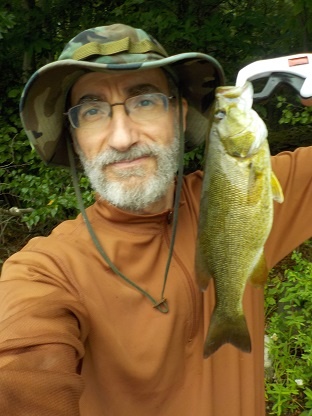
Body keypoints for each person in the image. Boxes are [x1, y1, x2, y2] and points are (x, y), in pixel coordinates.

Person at [0, 23, 311, 416]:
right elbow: (22, 372)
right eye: (92, 110)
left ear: (180, 115)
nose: (122, 137)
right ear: (73, 137)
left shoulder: (247, 192)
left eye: (144, 101)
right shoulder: (44, 271)